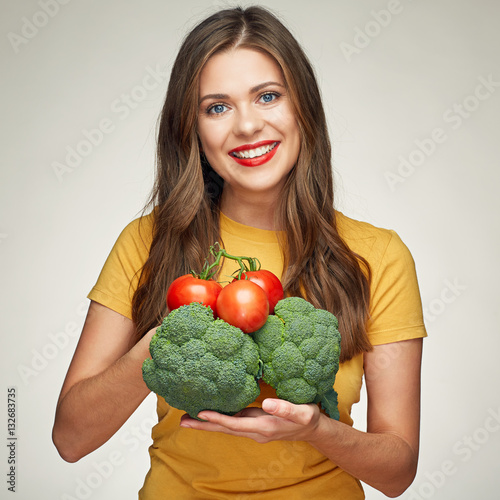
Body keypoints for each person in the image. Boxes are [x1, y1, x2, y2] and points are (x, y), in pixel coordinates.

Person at [52, 6, 427, 499]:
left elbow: (397, 472)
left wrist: (315, 429)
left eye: (268, 96)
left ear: (302, 108)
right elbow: (70, 439)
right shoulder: (147, 242)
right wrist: (167, 341)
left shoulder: (377, 256)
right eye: (217, 107)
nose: (247, 125)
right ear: (193, 128)